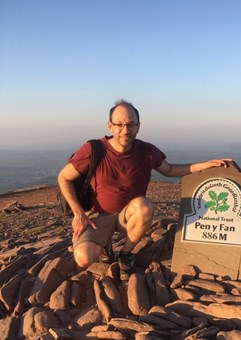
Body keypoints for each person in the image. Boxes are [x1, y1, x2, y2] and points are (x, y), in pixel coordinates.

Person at [58, 99, 231, 278]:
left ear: (138, 126)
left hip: (129, 214)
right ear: (110, 126)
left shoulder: (146, 151)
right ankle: (105, 246)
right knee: (84, 259)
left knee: (144, 206)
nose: (126, 130)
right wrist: (79, 213)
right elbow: (64, 177)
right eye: (119, 124)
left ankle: (126, 254)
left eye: (131, 125)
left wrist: (203, 166)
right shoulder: (93, 149)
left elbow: (169, 169)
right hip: (97, 216)